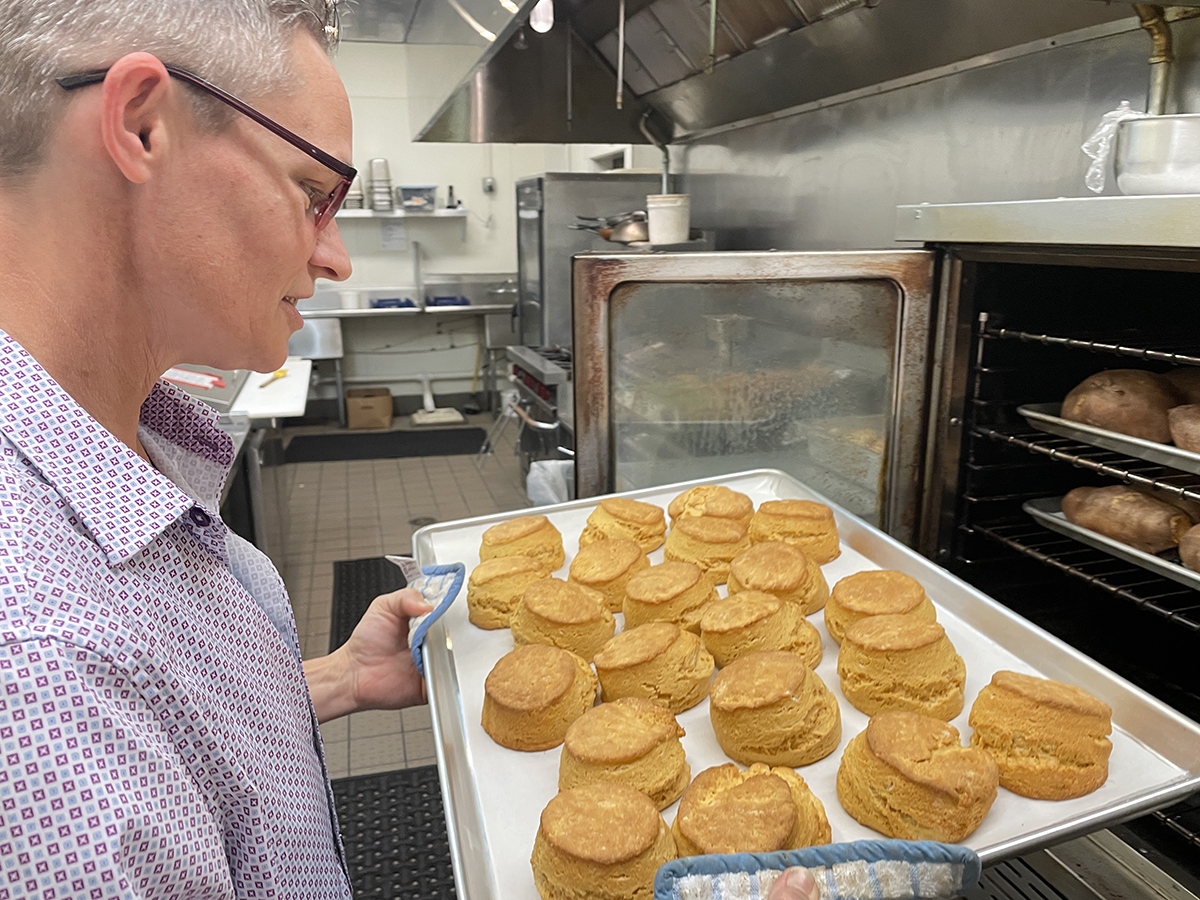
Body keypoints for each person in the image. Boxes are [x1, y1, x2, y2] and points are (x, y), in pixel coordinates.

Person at [0, 2, 821, 897]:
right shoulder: (40, 660)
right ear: (142, 127)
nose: (338, 257)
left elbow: (171, 739)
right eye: (314, 193)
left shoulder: (108, 476)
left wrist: (336, 680)